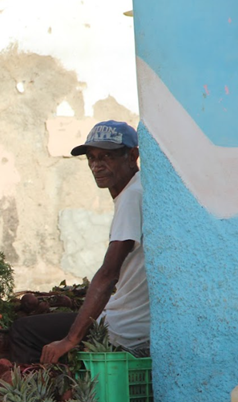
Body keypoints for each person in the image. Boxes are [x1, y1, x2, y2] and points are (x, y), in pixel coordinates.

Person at [10, 120, 150, 364]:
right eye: (92, 158)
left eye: (107, 156)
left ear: (132, 156)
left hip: (124, 328)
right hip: (130, 319)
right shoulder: (137, 191)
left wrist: (70, 340)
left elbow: (108, 275)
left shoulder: (131, 197)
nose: (97, 166)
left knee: (23, 331)